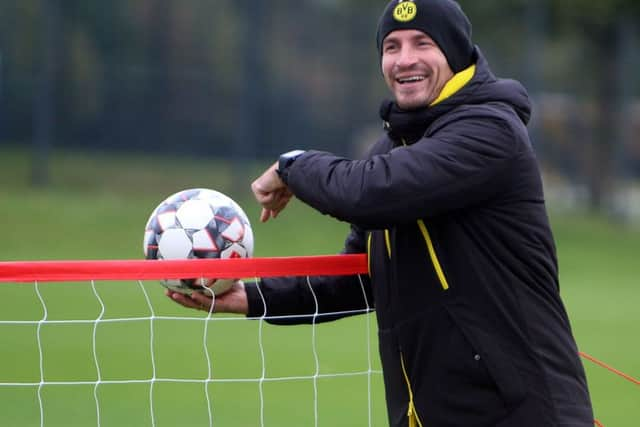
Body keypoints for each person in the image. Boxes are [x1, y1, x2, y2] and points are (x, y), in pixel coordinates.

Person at [168, 0, 595, 425]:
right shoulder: (393, 149)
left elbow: (369, 192)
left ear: (456, 52)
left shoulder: (489, 130)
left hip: (521, 413)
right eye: (392, 47)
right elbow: (360, 278)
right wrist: (254, 298)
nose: (405, 59)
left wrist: (293, 164)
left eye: (422, 43)